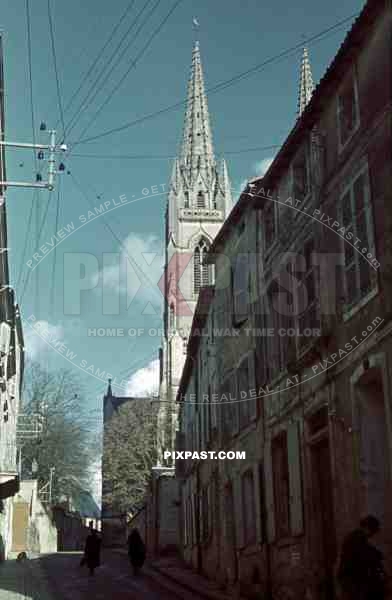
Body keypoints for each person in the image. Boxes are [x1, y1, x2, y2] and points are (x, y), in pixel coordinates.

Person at [337, 515, 385, 600]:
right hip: (350, 578)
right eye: (372, 531)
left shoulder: (357, 537)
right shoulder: (356, 538)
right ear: (366, 528)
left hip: (350, 577)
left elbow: (367, 550)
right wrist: (377, 556)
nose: (372, 535)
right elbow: (364, 553)